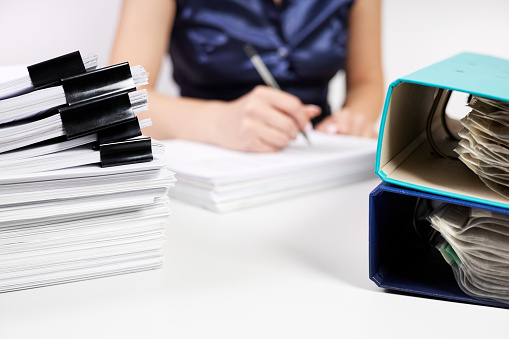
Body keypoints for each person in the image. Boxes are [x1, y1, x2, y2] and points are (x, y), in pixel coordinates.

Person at [111, 0, 384, 152]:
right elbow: (116, 101)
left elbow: (367, 82)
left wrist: (353, 119)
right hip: (210, 160)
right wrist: (218, 122)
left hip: (316, 158)